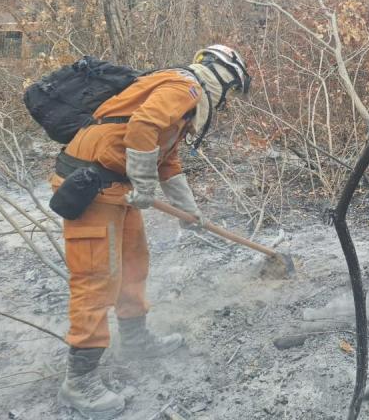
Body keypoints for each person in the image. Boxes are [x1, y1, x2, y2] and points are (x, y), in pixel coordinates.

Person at [51, 45, 251, 419]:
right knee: (97, 279)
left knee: (133, 264)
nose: (228, 100)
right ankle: (79, 382)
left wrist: (189, 213)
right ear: (225, 76)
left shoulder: (183, 99)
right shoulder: (185, 87)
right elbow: (142, 128)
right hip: (91, 186)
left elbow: (167, 159)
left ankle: (137, 340)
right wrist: (142, 185)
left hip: (117, 188)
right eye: (232, 90)